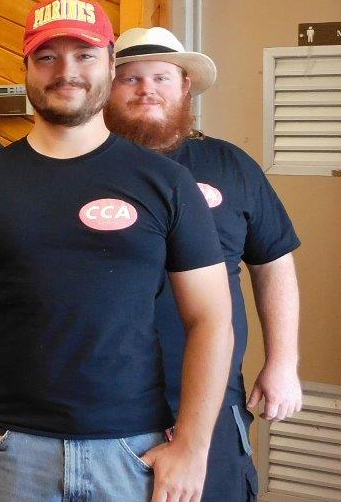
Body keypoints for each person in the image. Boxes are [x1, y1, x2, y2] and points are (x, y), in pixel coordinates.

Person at [0, 0, 234, 501]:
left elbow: (211, 318)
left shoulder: (166, 183)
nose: (66, 72)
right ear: (26, 67)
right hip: (9, 449)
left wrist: (194, 447)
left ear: (110, 64)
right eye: (47, 56)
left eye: (84, 55)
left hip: (132, 451)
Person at [106, 26, 302, 501]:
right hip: (99, 401)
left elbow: (273, 262)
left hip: (211, 395)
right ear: (107, 90)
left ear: (185, 86)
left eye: (161, 77)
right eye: (130, 78)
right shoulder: (79, 167)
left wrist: (282, 362)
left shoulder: (231, 165)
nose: (146, 89)